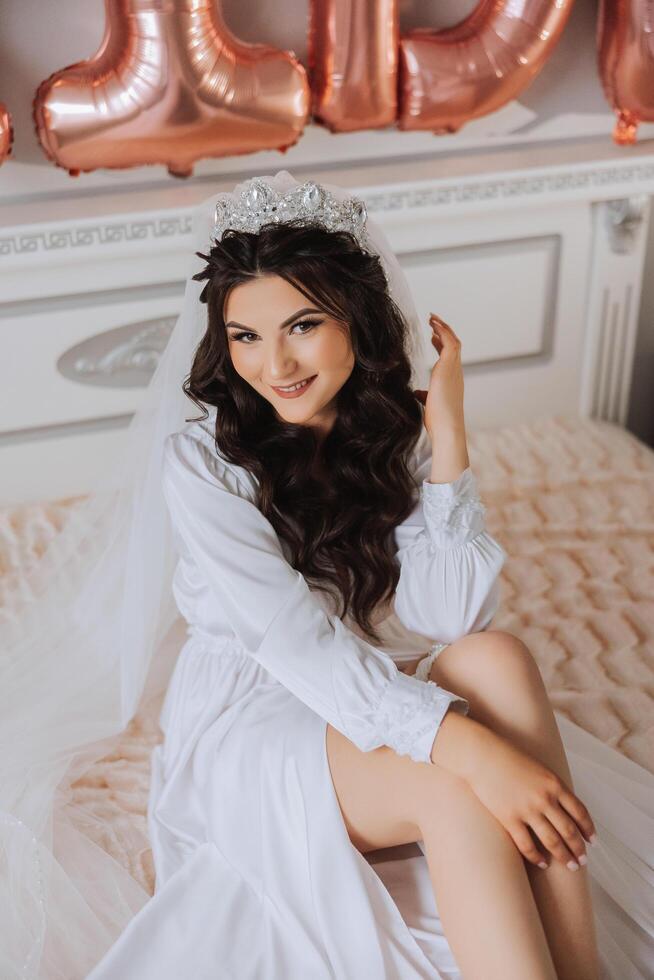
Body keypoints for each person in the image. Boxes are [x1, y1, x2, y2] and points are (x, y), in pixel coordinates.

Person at [2, 171, 652, 980]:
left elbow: (450, 620)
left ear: (357, 319)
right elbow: (296, 643)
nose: (273, 364)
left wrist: (446, 442)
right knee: (451, 788)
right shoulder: (202, 465)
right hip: (255, 716)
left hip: (371, 680)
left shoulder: (393, 431)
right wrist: (471, 750)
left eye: (302, 325)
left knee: (500, 659)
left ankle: (581, 967)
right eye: (245, 337)